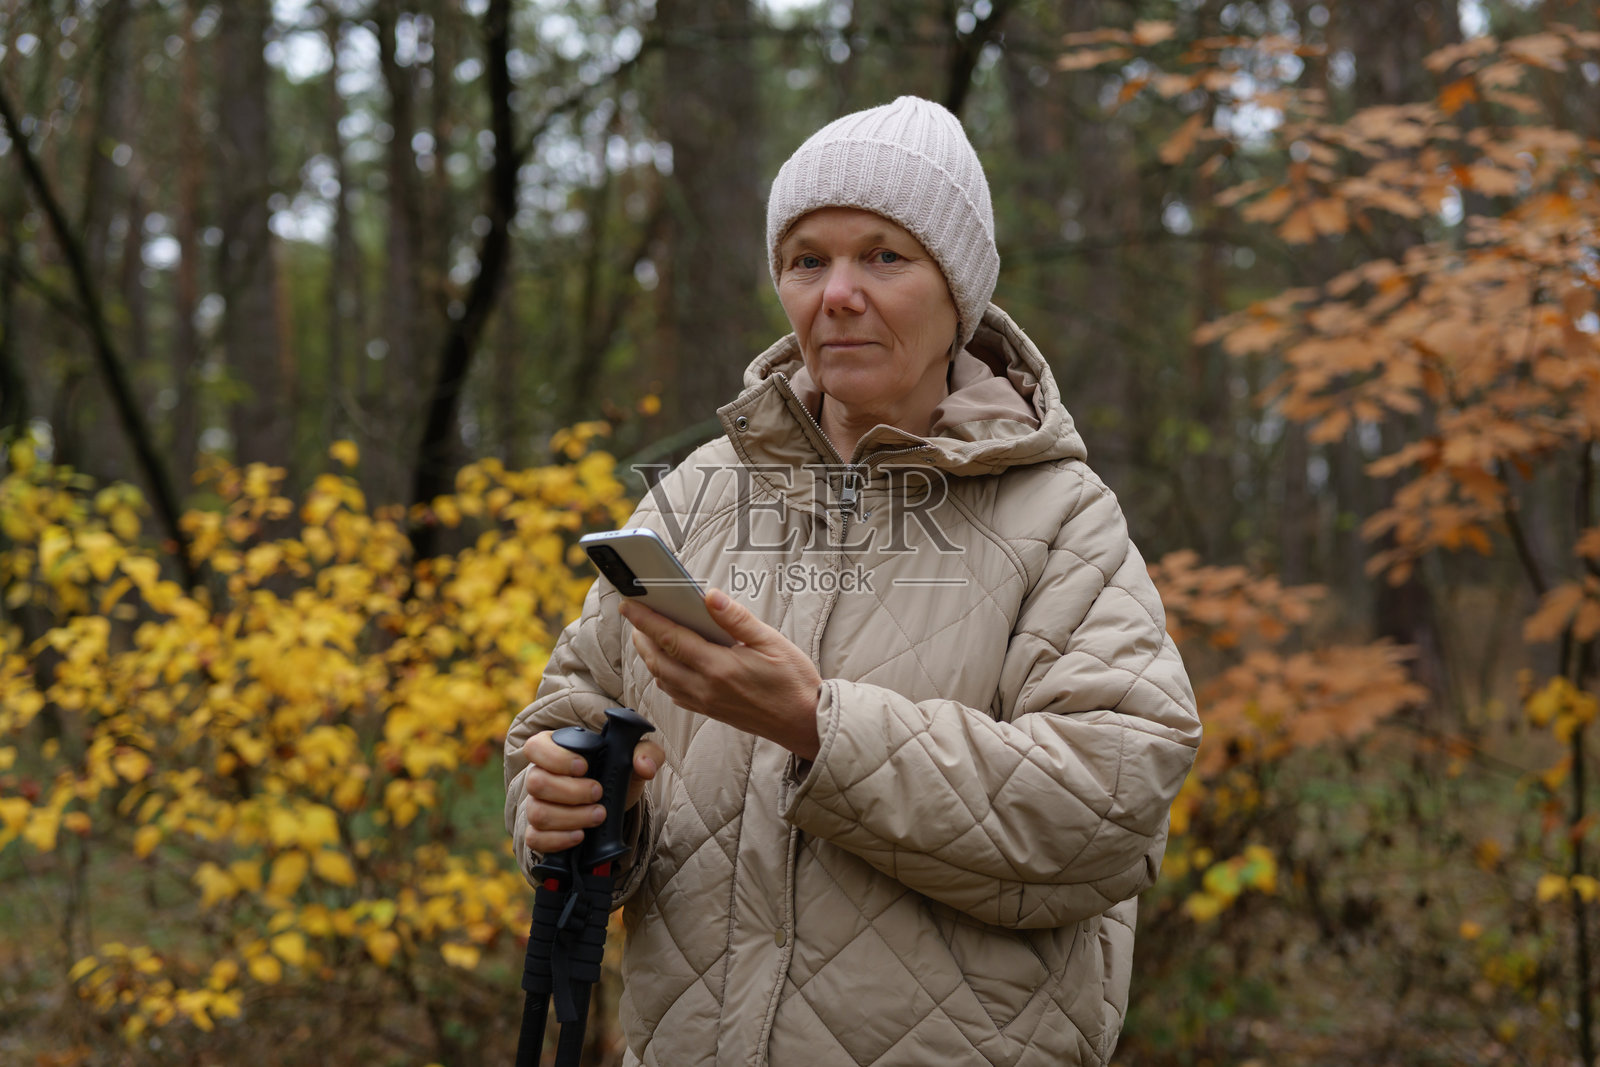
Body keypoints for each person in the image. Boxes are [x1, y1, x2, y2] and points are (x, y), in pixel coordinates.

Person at [505, 95, 1200, 1067]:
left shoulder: (1058, 514)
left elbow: (1109, 807)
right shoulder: (696, 495)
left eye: (883, 255)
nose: (837, 292)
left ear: (958, 289)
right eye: (806, 259)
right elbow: (568, 707)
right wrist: (568, 803)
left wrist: (818, 727)